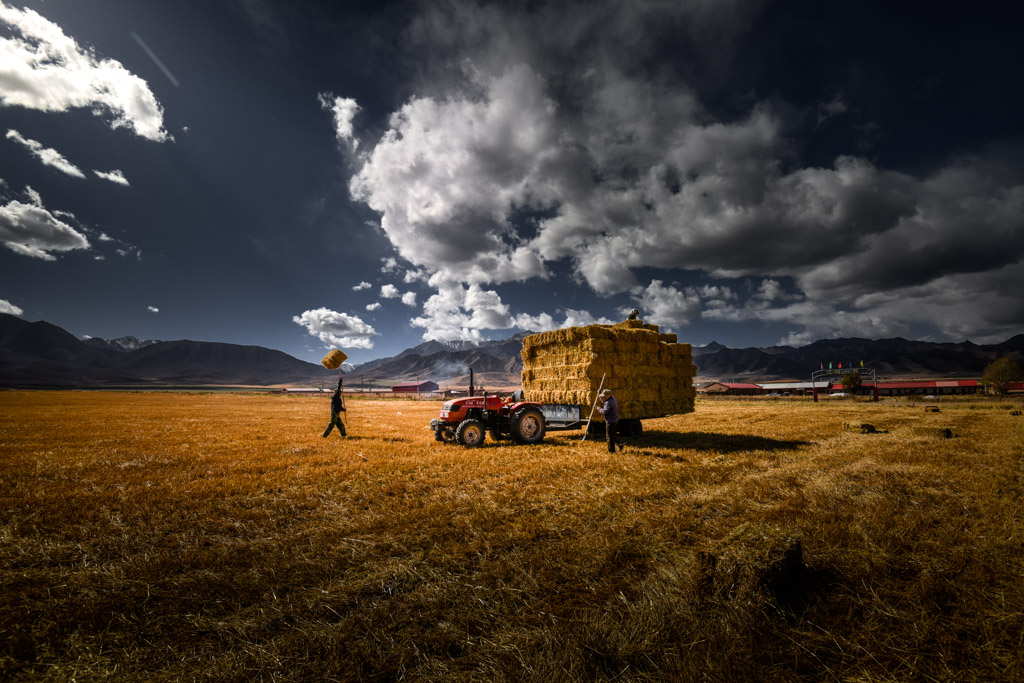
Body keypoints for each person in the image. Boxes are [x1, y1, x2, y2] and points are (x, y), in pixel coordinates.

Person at [596, 388, 621, 452]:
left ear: (607, 396)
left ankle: (612, 451)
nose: (603, 397)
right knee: (612, 434)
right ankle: (620, 444)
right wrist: (599, 394)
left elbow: (604, 412)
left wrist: (598, 408)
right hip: (615, 420)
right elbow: (604, 401)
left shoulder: (608, 403)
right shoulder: (613, 398)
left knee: (609, 437)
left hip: (610, 421)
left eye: (604, 396)